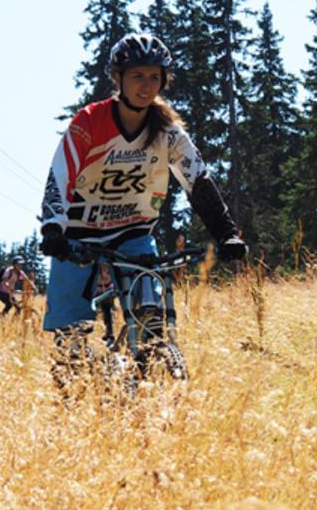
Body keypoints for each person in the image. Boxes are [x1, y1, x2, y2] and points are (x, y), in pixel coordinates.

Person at [38, 32, 246, 392]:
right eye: (137, 76)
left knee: (152, 318)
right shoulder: (88, 123)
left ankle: (150, 386)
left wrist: (226, 232)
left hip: (132, 233)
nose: (146, 85)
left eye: (154, 76)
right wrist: (53, 231)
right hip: (78, 234)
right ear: (117, 79)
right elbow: (60, 177)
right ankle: (71, 398)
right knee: (69, 332)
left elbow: (198, 181)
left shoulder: (167, 131)